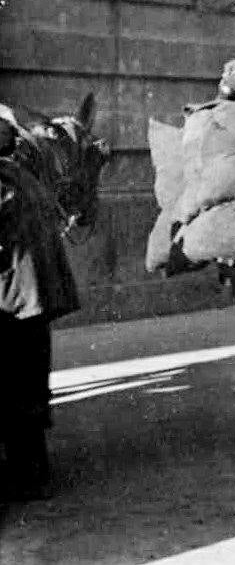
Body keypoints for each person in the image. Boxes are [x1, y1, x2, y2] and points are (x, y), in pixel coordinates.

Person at [0, 127, 80, 500]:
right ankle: (33, 470)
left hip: (15, 300)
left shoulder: (6, 185)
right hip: (33, 299)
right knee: (29, 383)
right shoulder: (20, 176)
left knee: (17, 386)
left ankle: (25, 477)